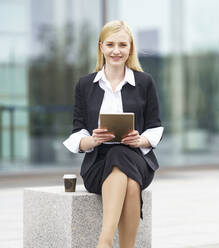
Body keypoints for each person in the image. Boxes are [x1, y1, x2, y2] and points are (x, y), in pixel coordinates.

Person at [63, 20, 163, 248]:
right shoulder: (85, 85)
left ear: (130, 48)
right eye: (110, 44)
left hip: (137, 159)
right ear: (101, 47)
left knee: (120, 153)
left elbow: (156, 127)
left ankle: (104, 241)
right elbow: (77, 131)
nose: (116, 51)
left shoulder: (144, 82)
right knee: (126, 177)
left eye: (122, 45)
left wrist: (141, 139)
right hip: (98, 163)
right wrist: (93, 139)